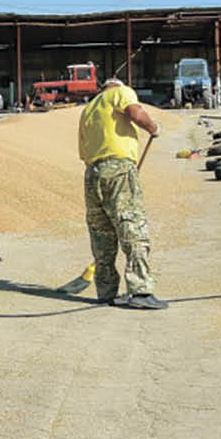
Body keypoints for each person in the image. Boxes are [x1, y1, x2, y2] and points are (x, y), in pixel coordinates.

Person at [77, 77, 166, 310]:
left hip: (92, 174)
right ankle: (140, 291)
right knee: (132, 225)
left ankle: (106, 292)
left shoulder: (88, 109)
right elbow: (136, 114)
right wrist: (153, 128)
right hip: (118, 168)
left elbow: (84, 152)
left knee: (101, 234)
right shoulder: (120, 92)